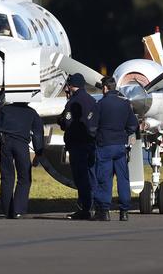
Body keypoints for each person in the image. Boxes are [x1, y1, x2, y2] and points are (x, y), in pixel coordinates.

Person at [92, 76, 139, 221]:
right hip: (120, 146)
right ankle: (124, 212)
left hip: (104, 146)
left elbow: (92, 127)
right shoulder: (125, 104)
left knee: (104, 178)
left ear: (105, 88)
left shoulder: (100, 104)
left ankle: (104, 211)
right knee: (123, 178)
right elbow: (133, 125)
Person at [0, 102, 44, 219]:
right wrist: (38, 154)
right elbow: (38, 134)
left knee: (6, 177)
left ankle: (7, 210)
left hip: (5, 143)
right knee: (24, 177)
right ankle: (18, 209)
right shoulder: (32, 113)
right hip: (21, 145)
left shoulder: (4, 110)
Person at [57, 73, 98, 220]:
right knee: (92, 175)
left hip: (77, 144)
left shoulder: (73, 102)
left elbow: (66, 122)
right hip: (91, 143)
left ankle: (85, 208)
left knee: (81, 177)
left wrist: (61, 120)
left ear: (71, 85)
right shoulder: (92, 100)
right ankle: (96, 205)